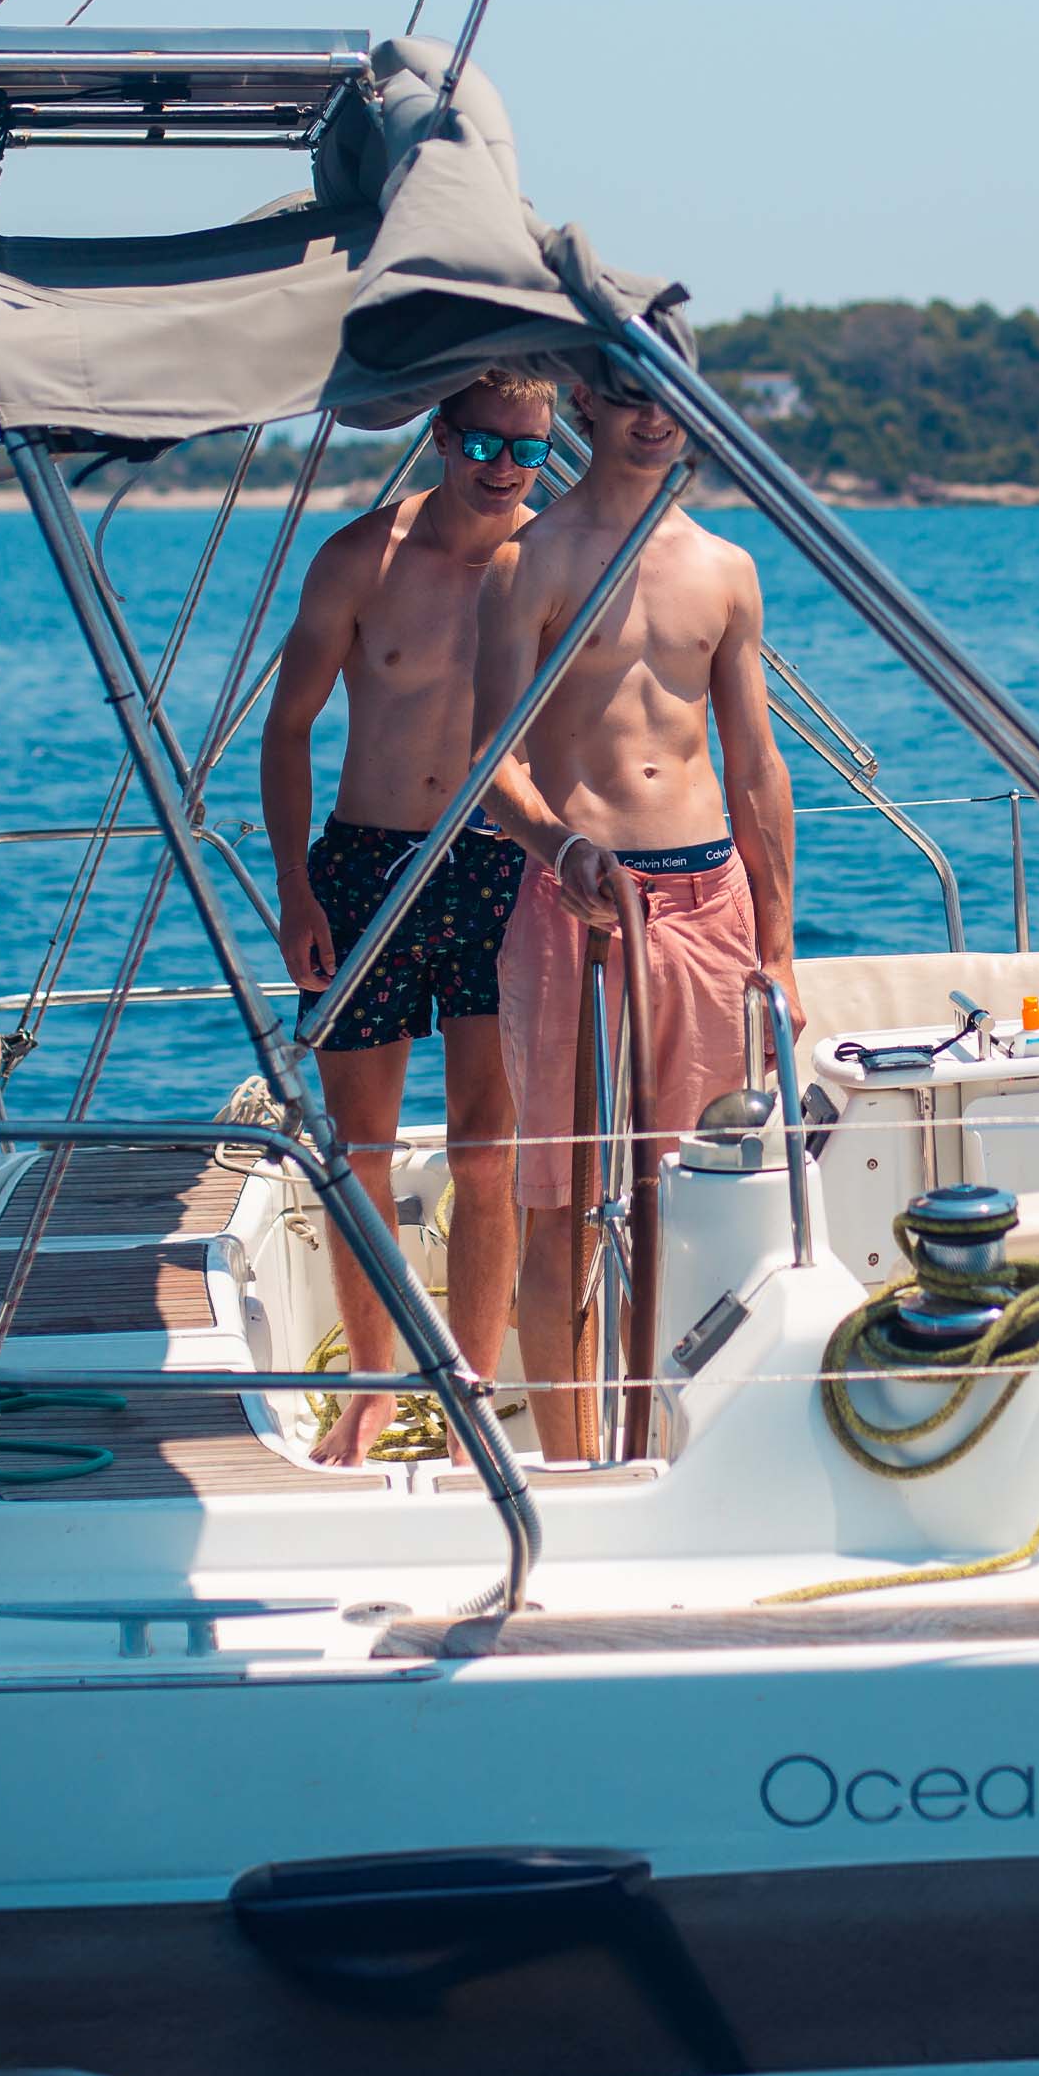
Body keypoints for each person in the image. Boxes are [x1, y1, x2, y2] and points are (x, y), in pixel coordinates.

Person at [475, 360, 798, 1465]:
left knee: (701, 1194)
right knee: (562, 1203)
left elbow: (756, 764)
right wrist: (558, 846)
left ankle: (684, 1453)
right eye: (629, 392)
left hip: (710, 901)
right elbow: (491, 760)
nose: (653, 415)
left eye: (669, 392)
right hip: (578, 903)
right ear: (587, 403)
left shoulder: (726, 569)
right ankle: (572, 1468)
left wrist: (780, 948)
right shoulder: (529, 561)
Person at [260, 369, 560, 1465]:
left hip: (497, 867)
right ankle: (375, 1388)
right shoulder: (360, 559)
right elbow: (288, 728)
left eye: (528, 449)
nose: (504, 469)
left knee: (486, 1154)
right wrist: (295, 887)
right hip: (365, 867)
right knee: (359, 1150)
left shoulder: (556, 563)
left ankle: (470, 1388)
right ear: (441, 435)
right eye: (484, 444)